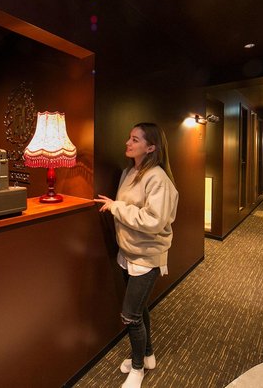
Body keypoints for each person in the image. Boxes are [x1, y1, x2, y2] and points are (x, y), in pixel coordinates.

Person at [95, 122, 179, 388]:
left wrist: (116, 207)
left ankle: (138, 368)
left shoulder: (157, 178)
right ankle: (148, 355)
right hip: (129, 251)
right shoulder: (128, 172)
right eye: (129, 138)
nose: (128, 143)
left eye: (135, 139)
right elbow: (127, 207)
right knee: (139, 310)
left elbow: (154, 220)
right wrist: (117, 207)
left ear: (151, 147)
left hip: (147, 256)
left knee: (130, 316)